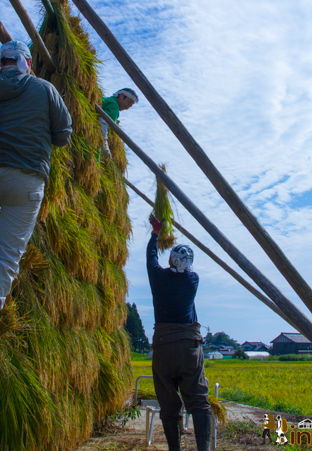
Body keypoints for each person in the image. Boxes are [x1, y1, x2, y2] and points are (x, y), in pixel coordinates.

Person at [0, 40, 72, 362]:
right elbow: (63, 135)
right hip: (26, 181)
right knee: (9, 258)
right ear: (27, 64)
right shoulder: (44, 89)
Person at [147, 214, 213, 451]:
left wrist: (156, 233)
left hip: (164, 346)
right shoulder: (193, 280)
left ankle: (175, 449)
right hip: (189, 347)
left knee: (168, 400)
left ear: (172, 261)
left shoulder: (157, 277)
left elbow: (151, 258)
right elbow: (181, 271)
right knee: (199, 401)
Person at [98, 88, 138, 158]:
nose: (128, 107)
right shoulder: (114, 105)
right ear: (121, 96)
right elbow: (103, 122)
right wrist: (105, 146)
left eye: (130, 106)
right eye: (129, 103)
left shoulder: (107, 100)